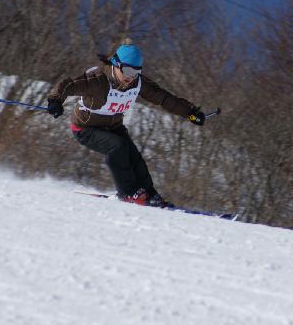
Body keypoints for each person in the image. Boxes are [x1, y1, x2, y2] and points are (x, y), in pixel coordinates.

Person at [46, 39, 206, 207]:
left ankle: (149, 194)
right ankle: (128, 192)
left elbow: (164, 98)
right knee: (118, 146)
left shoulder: (138, 83)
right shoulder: (98, 80)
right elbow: (68, 85)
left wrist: (190, 112)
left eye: (136, 72)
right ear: (116, 64)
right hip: (85, 128)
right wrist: (55, 101)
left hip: (113, 127)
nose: (131, 77)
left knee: (134, 156)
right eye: (128, 71)